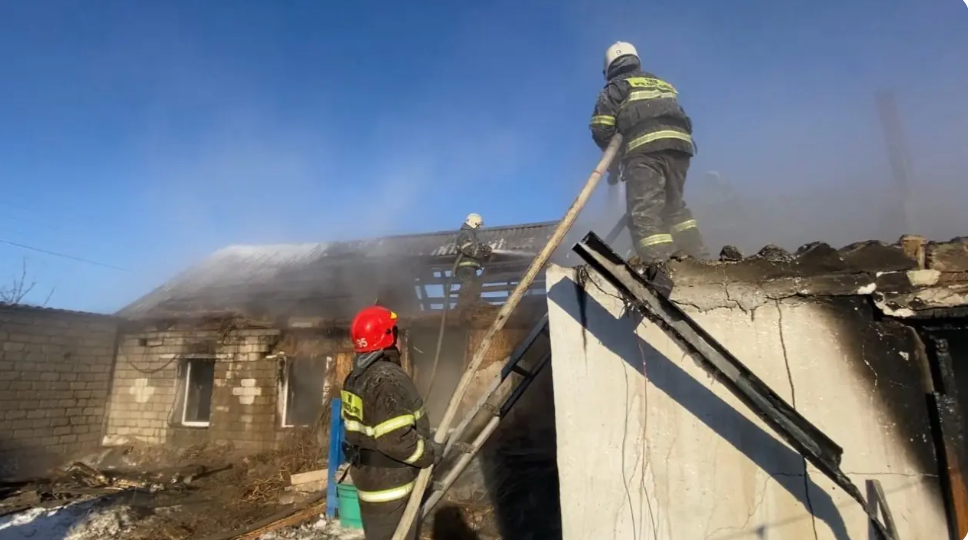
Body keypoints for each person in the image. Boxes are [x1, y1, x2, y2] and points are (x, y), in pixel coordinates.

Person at [589, 41, 709, 264]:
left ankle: (660, 267)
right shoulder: (659, 83)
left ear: (609, 68)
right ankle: (700, 260)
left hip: (645, 150)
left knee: (643, 214)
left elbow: (601, 128)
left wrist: (614, 161)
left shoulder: (616, 86)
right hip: (680, 148)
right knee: (674, 208)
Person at [341, 305, 441, 540]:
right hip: (391, 481)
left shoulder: (355, 377)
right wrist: (428, 453)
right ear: (388, 337)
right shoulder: (387, 379)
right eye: (395, 331)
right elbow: (395, 440)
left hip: (368, 476)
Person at [454, 213, 492, 307]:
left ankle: (473, 303)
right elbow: (468, 249)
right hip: (465, 267)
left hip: (471, 266)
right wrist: (481, 252)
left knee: (474, 285)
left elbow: (475, 247)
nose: (478, 228)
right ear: (473, 223)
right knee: (468, 284)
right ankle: (462, 306)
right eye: (478, 225)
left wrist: (484, 248)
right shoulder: (465, 233)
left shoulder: (471, 234)